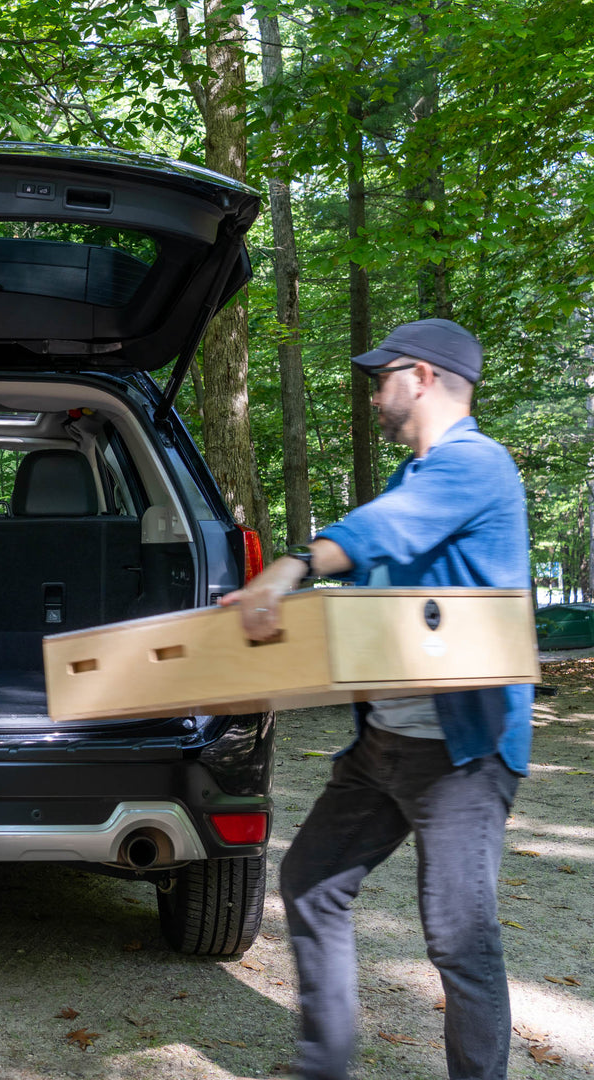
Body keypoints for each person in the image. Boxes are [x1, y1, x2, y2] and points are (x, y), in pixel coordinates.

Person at [221, 318, 533, 1080]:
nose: (373, 394)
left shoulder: (477, 465)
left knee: (459, 937)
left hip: (463, 753)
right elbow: (368, 607)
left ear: (422, 377)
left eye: (380, 377)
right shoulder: (410, 478)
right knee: (310, 882)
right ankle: (325, 1067)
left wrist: (291, 565)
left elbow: (382, 531)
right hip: (383, 745)